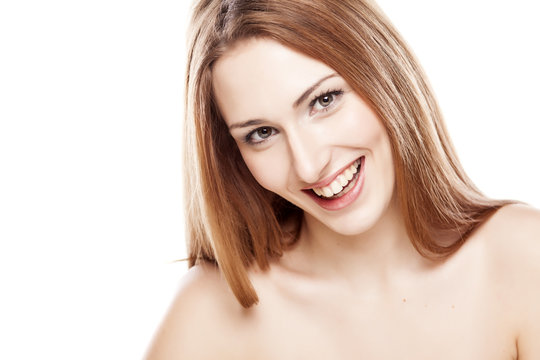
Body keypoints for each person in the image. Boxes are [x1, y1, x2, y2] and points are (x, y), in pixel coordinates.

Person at [146, 0, 540, 358]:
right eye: (261, 133)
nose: (308, 166)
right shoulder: (209, 310)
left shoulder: (522, 258)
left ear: (384, 74)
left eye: (324, 100)